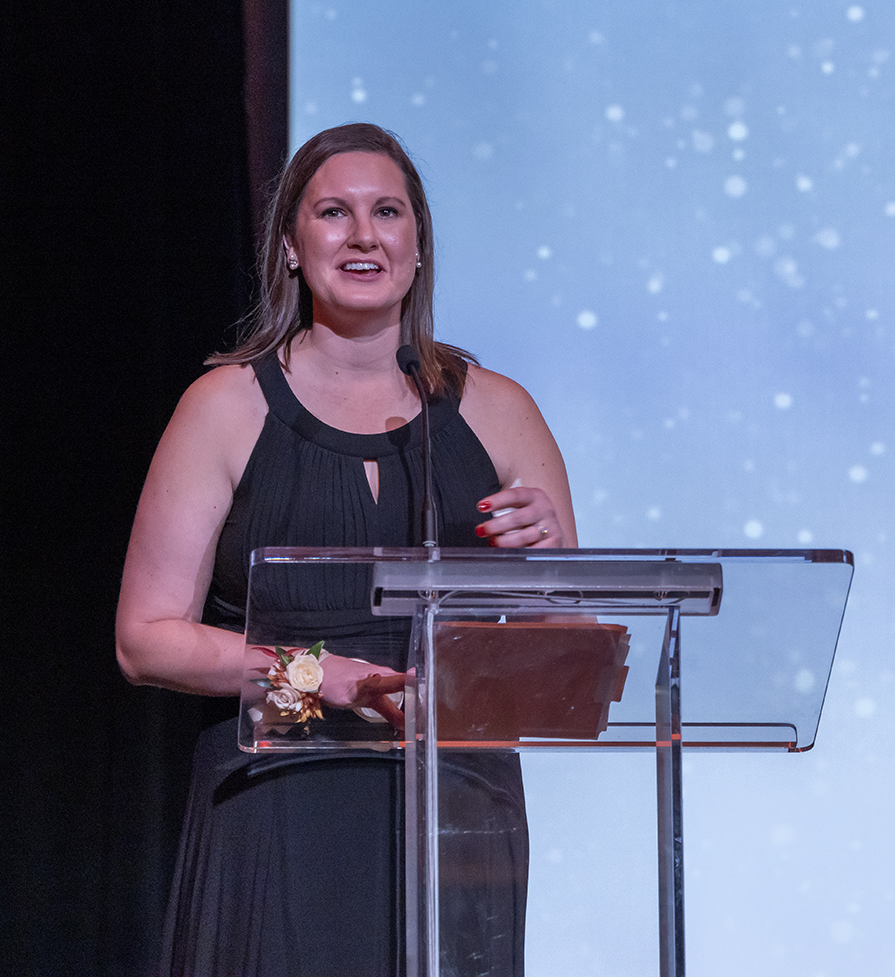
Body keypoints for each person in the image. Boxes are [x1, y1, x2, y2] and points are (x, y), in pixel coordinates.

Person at [116, 123, 575, 975]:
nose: (364, 235)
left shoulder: (501, 410)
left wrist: (547, 569)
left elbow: (559, 661)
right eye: (334, 213)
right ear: (291, 247)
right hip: (279, 796)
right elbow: (145, 640)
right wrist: (312, 674)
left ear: (418, 243)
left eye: (387, 212)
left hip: (456, 804)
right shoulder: (224, 406)